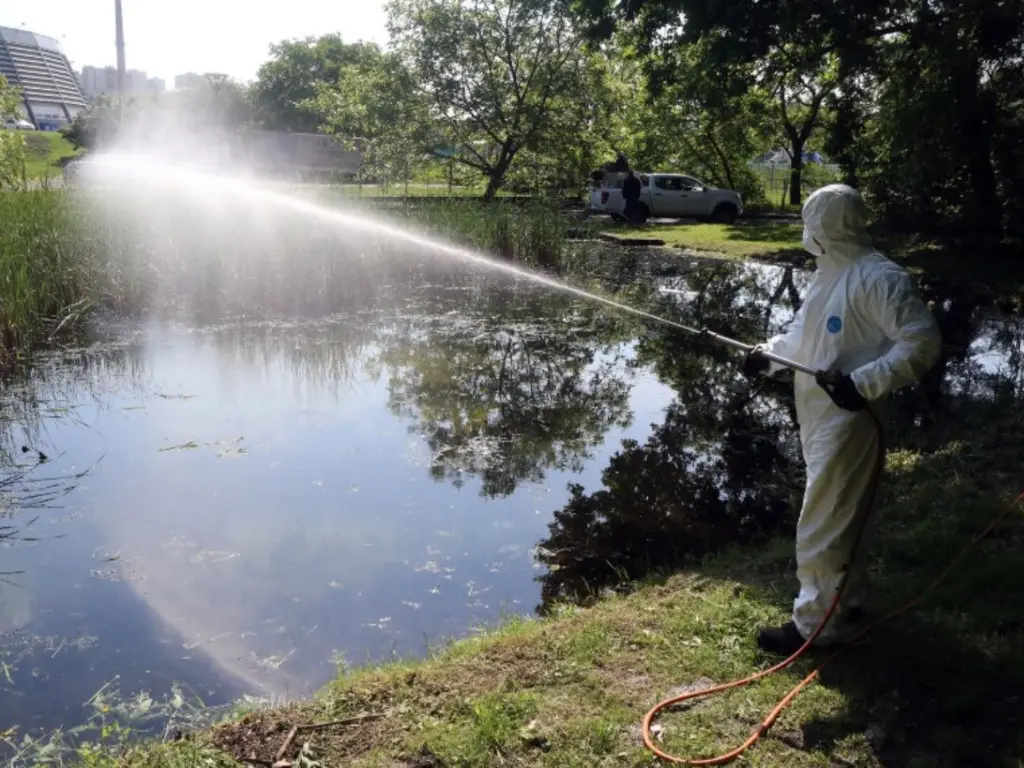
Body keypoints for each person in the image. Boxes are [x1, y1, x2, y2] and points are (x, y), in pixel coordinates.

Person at [742, 184, 943, 656]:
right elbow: (802, 339)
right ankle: (844, 601)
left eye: (809, 223)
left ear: (824, 227)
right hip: (817, 414)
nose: (805, 233)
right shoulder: (827, 274)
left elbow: (922, 341)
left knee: (824, 518)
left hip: (852, 418)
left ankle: (814, 625)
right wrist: (768, 357)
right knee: (843, 512)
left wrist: (865, 383)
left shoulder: (879, 278)